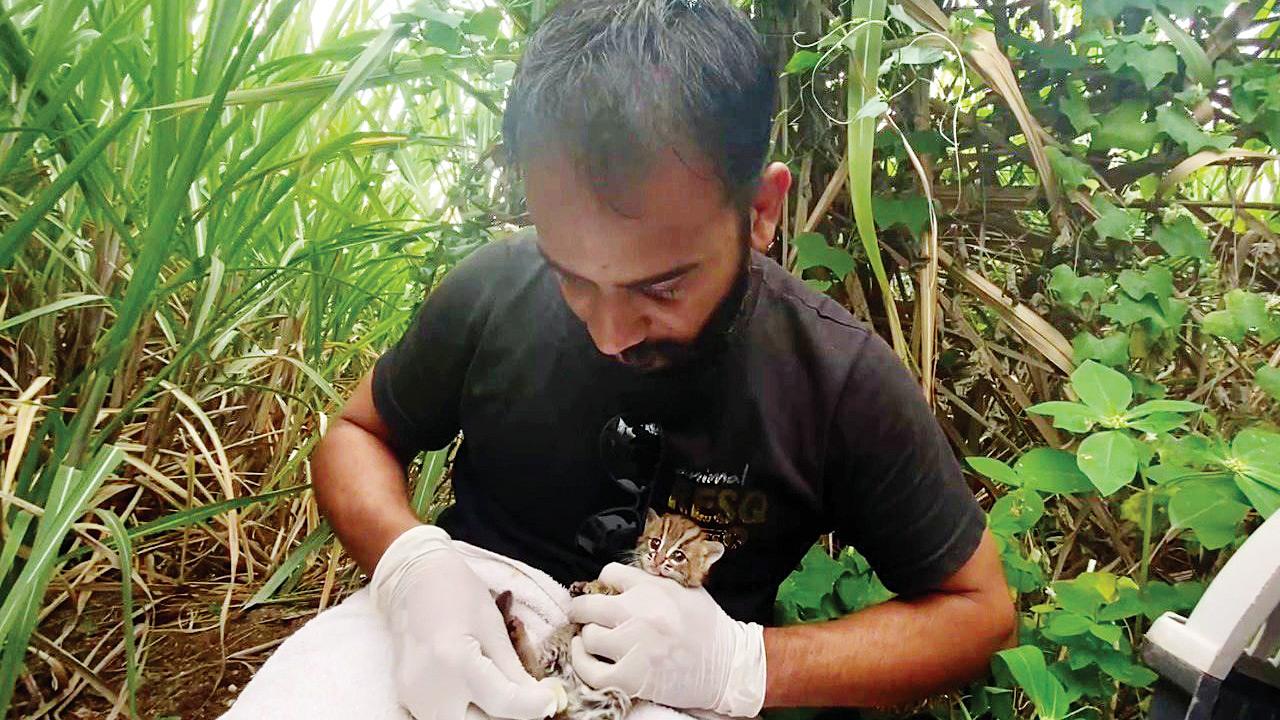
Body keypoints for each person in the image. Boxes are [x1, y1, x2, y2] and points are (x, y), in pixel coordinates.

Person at [221, 0, 1017, 718]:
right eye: (571, 275)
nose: (610, 331)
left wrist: (744, 664)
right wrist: (411, 564)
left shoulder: (836, 379)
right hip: (461, 622)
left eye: (661, 287)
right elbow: (356, 436)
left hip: (676, 686)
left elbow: (976, 610)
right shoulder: (494, 289)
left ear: (761, 210)